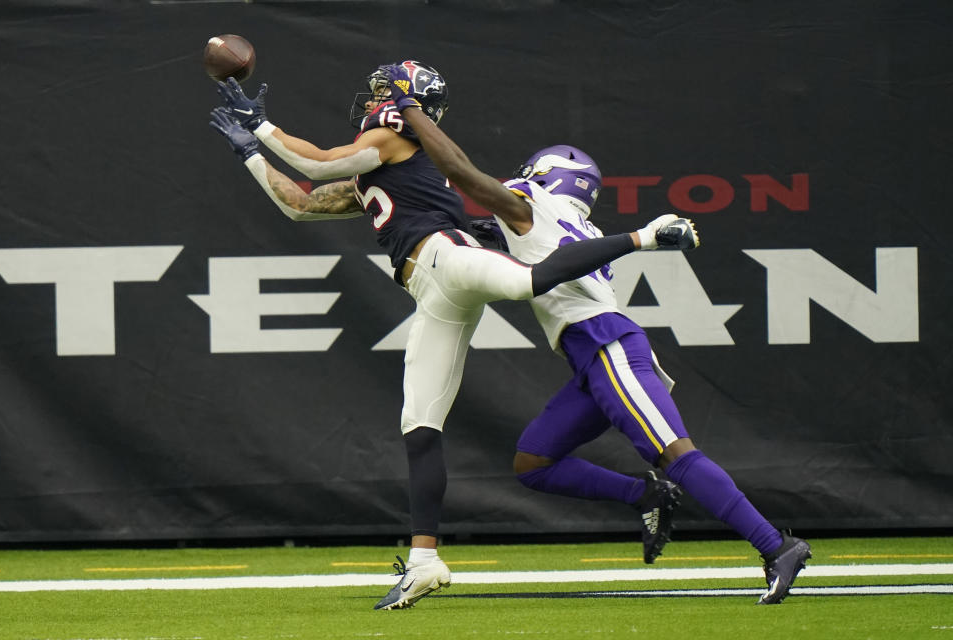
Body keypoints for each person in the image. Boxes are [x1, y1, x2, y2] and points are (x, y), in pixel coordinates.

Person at [207, 61, 696, 610]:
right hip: (434, 290)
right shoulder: (381, 167)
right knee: (419, 424)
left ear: (405, 101)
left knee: (531, 280)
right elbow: (299, 203)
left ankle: (644, 237)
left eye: (382, 92)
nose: (372, 101)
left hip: (449, 255)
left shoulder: (391, 139)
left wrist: (264, 130)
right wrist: (249, 153)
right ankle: (424, 561)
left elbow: (316, 164)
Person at [380, 62, 812, 605]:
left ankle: (777, 546)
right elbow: (476, 228)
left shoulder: (534, 208)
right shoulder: (573, 223)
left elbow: (464, 177)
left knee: (674, 452)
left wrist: (411, 111)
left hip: (607, 347)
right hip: (591, 359)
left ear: (543, 177)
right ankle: (647, 496)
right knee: (534, 462)